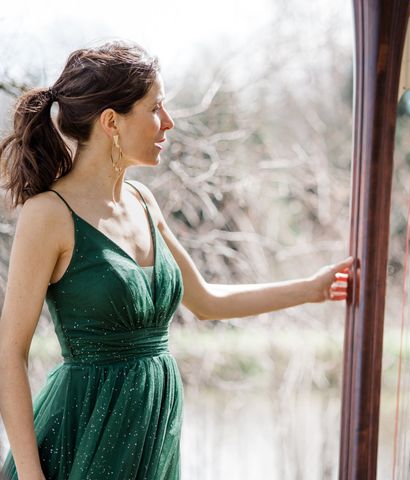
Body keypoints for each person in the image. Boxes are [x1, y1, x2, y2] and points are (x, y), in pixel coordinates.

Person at [0, 41, 352, 480]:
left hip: (153, 431)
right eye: (156, 108)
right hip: (84, 435)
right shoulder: (47, 215)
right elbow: (9, 354)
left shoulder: (144, 202)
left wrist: (312, 288)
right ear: (112, 122)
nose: (168, 122)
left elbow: (207, 301)